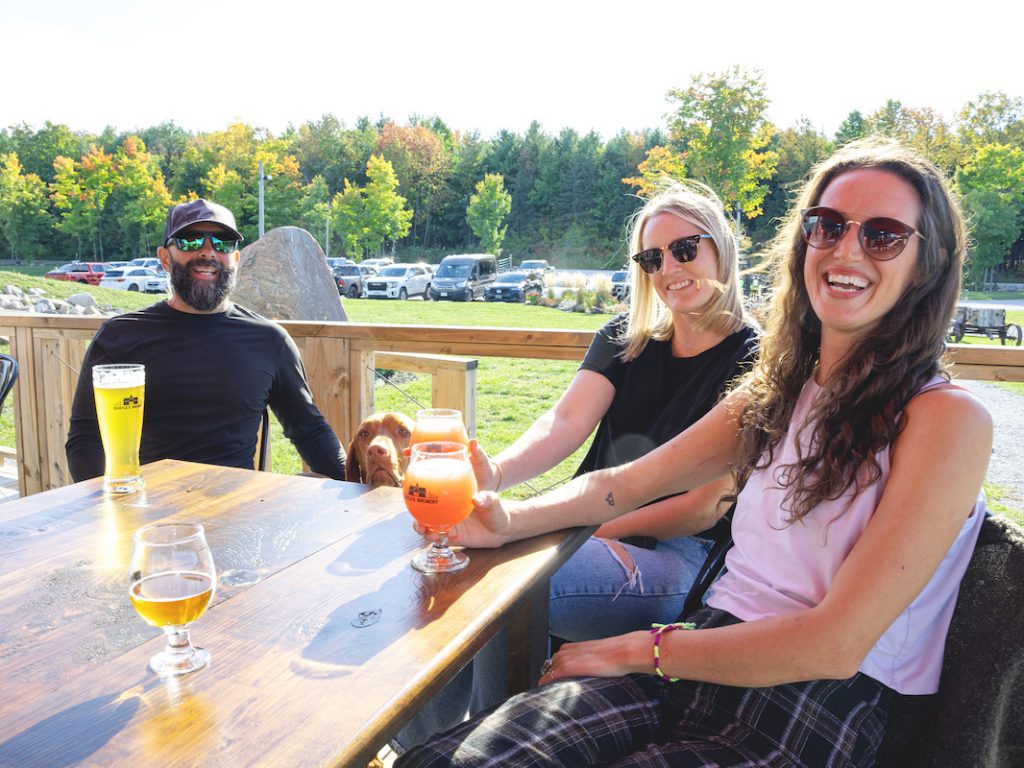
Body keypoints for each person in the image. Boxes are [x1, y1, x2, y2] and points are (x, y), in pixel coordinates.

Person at [397, 136, 991, 767]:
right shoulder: (778, 389)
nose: (845, 248)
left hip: (812, 702)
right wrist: (506, 521)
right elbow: (623, 483)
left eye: (883, 235)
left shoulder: (947, 420)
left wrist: (639, 648)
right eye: (826, 225)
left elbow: (836, 644)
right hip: (699, 652)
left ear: (929, 266)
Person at [392, 181, 758, 753]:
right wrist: (495, 478)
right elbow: (562, 424)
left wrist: (576, 528)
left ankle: (488, 750)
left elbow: (708, 503)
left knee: (510, 582)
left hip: (685, 556)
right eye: (651, 257)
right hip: (587, 523)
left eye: (686, 248)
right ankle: (429, 748)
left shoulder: (755, 359)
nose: (669, 268)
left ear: (722, 250)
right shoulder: (625, 338)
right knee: (443, 562)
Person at [66, 198, 347, 480]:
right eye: (190, 240)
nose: (208, 252)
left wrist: (359, 481)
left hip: (239, 511)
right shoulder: (120, 336)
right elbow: (85, 439)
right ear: (165, 258)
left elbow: (308, 429)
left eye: (223, 243)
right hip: (153, 512)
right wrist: (109, 510)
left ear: (236, 260)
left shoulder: (269, 340)